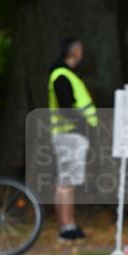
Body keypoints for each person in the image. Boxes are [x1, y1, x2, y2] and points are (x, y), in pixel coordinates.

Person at [47, 37, 98, 241]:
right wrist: (82, 124)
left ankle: (69, 225)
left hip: (68, 134)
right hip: (70, 135)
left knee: (66, 181)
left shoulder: (64, 74)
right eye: (80, 49)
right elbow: (66, 107)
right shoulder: (62, 75)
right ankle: (66, 227)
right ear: (75, 51)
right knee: (66, 183)